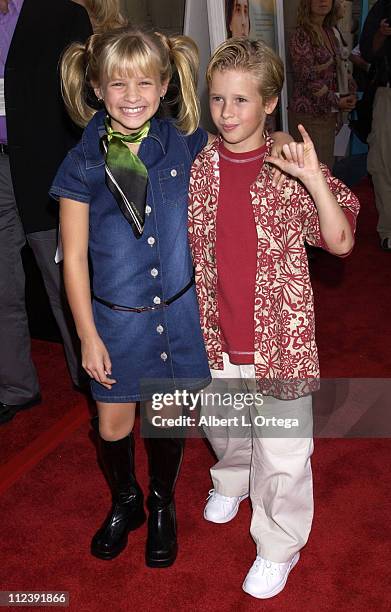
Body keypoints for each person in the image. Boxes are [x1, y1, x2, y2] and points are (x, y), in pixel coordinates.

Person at [188, 37, 360, 599]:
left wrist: (312, 177)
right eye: (218, 100)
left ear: (269, 104)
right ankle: (232, 481)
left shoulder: (289, 166)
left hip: (280, 339)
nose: (227, 113)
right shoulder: (201, 164)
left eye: (241, 100)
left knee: (284, 452)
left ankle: (278, 545)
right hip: (215, 334)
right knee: (227, 427)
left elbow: (340, 242)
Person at [49, 26, 216, 568]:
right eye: (118, 84)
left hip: (178, 317)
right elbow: (72, 258)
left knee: (167, 422)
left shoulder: (183, 145)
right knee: (113, 425)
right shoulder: (83, 162)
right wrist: (87, 335)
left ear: (165, 84)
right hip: (116, 326)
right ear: (96, 88)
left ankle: (162, 502)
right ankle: (128, 500)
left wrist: (279, 139)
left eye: (145, 82)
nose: (132, 95)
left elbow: (242, 147)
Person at [0, 0, 92, 426]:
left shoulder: (62, 16)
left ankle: (94, 380)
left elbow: (84, 99)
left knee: (65, 282)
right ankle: (15, 387)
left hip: (49, 171)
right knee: (2, 284)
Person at [289, 0, 357, 169]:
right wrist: (335, 100)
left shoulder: (330, 32)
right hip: (310, 116)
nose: (323, 1)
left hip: (328, 115)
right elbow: (305, 76)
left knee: (325, 170)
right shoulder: (301, 34)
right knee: (314, 173)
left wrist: (349, 94)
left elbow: (341, 67)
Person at [360, 0, 391, 250]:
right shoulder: (384, 7)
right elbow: (367, 52)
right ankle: (388, 230)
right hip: (387, 95)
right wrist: (381, 33)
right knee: (382, 163)